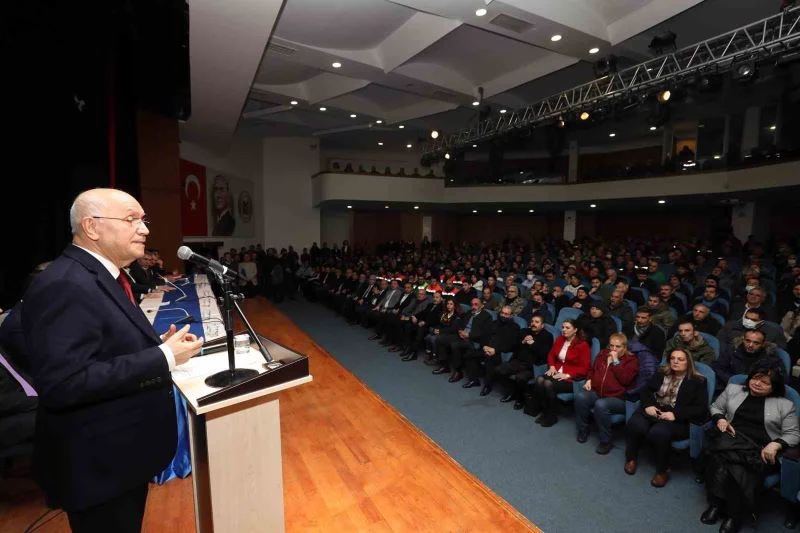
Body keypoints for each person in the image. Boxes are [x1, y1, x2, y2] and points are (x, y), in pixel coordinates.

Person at [21, 188, 204, 533]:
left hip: (119, 458)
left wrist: (155, 346)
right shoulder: (65, 284)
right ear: (92, 227)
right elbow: (65, 383)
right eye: (132, 219)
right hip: (97, 466)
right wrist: (163, 357)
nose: (144, 229)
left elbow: (102, 346)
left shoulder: (102, 276)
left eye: (144, 220)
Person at [700, 362, 799, 533]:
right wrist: (720, 418)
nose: (757, 383)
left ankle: (724, 509)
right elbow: (715, 407)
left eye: (765, 382)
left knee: (725, 461)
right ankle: (726, 509)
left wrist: (776, 444)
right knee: (731, 461)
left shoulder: (785, 405)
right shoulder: (733, 389)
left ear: (774, 387)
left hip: (760, 448)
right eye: (755, 378)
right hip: (731, 439)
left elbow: (793, 434)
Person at [623, 348, 709, 488]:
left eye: (680, 359)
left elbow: (700, 409)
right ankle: (631, 458)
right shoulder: (661, 373)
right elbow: (645, 391)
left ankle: (662, 470)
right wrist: (648, 405)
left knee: (658, 432)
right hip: (655, 410)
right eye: (673, 358)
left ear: (688, 362)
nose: (675, 361)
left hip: (677, 418)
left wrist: (675, 414)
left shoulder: (698, 381)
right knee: (635, 423)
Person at [575, 333, 639, 455]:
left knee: (601, 404)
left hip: (618, 398)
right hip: (598, 392)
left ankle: (606, 441)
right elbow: (592, 370)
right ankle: (583, 429)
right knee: (581, 397)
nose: (613, 349)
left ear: (624, 347)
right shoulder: (602, 354)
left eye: (618, 347)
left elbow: (625, 379)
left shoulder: (631, 361)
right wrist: (589, 379)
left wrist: (615, 362)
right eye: (611, 346)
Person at [527, 319, 591, 427]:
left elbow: (585, 368)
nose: (564, 330)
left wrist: (567, 375)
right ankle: (545, 411)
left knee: (547, 384)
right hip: (556, 371)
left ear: (575, 330)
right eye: (563, 327)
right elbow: (551, 354)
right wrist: (552, 366)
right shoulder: (560, 339)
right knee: (539, 380)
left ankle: (552, 416)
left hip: (571, 379)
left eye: (567, 328)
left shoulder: (583, 345)